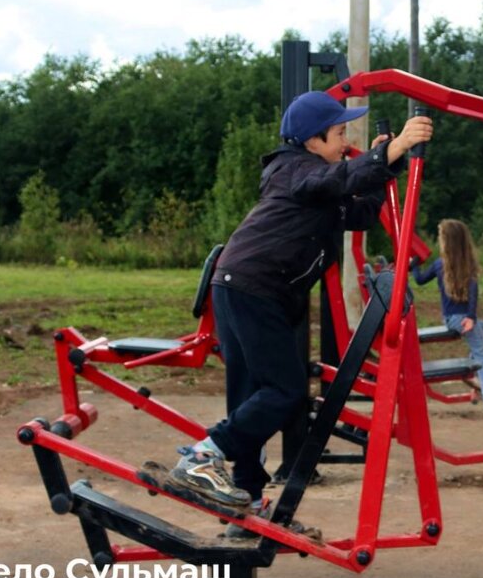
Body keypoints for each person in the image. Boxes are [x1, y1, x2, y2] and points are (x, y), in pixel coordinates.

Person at [166, 91, 434, 519]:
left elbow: (360, 212)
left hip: (242, 286)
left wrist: (389, 163)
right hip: (255, 287)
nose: (347, 142)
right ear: (313, 139)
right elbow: (338, 180)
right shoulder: (297, 170)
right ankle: (202, 457)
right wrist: (394, 148)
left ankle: (246, 498)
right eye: (340, 132)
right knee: (285, 390)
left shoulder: (315, 179)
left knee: (250, 395)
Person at [413, 219, 483, 420]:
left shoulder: (440, 264)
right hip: (462, 319)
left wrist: (414, 264)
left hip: (454, 319)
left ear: (447, 241)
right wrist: (470, 317)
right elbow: (473, 292)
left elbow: (419, 279)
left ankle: (473, 374)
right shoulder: (462, 264)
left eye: (440, 237)